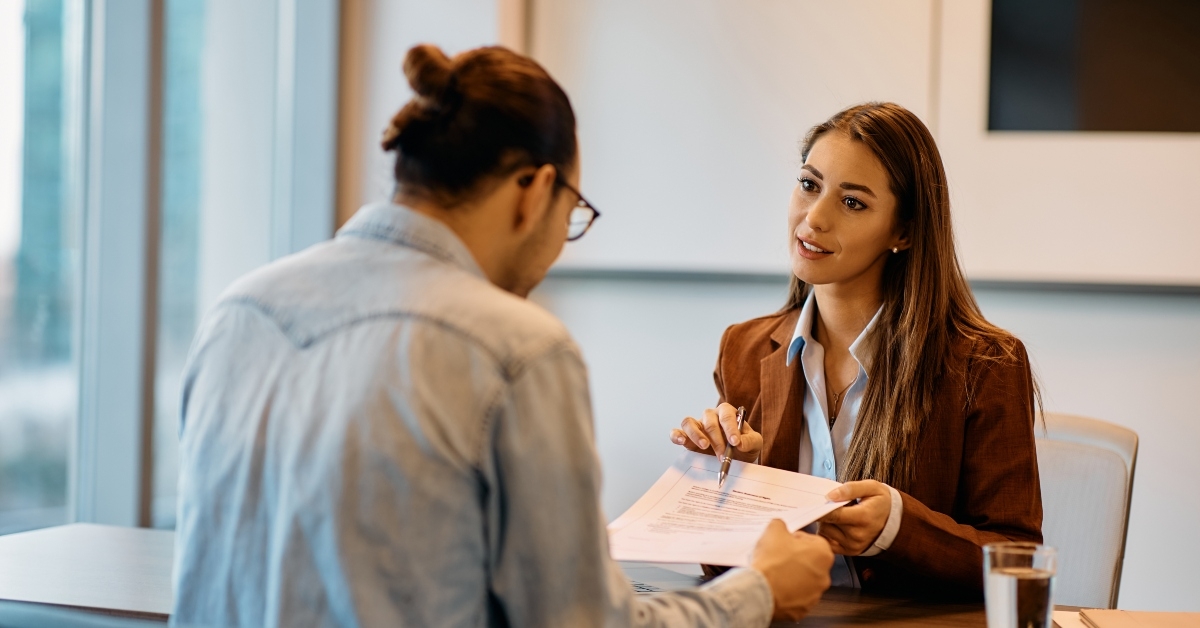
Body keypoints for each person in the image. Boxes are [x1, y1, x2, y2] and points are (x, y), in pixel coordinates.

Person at [171, 44, 833, 627]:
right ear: (535, 189)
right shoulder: (516, 348)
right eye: (572, 212)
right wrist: (759, 593)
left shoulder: (240, 313)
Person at [669, 102, 1043, 598]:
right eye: (809, 185)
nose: (814, 218)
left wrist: (898, 530)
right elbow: (721, 572)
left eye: (852, 203)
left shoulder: (985, 364)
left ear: (904, 232)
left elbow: (1017, 561)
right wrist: (731, 484)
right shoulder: (743, 347)